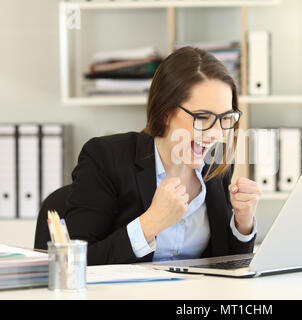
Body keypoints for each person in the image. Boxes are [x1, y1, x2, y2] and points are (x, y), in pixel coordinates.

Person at [65, 46, 261, 265]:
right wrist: (150, 223)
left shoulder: (216, 166)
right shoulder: (105, 157)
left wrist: (243, 223)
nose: (216, 133)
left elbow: (227, 265)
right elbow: (75, 262)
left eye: (226, 118)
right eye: (203, 117)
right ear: (166, 112)